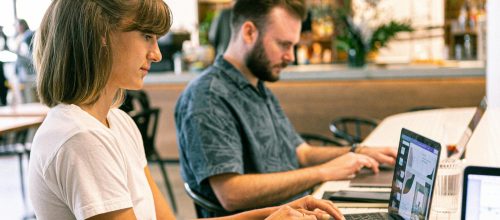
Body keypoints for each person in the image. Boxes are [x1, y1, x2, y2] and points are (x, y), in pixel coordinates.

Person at [28, 0, 343, 220]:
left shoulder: (117, 122)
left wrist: (276, 212)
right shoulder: (80, 138)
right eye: (147, 36)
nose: (155, 54)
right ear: (101, 35)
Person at [175, 0, 398, 217]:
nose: (290, 56)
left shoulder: (257, 86)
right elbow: (231, 194)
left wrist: (357, 152)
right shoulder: (207, 97)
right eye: (284, 44)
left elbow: (302, 152)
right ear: (249, 32)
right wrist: (323, 171)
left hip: (301, 209)